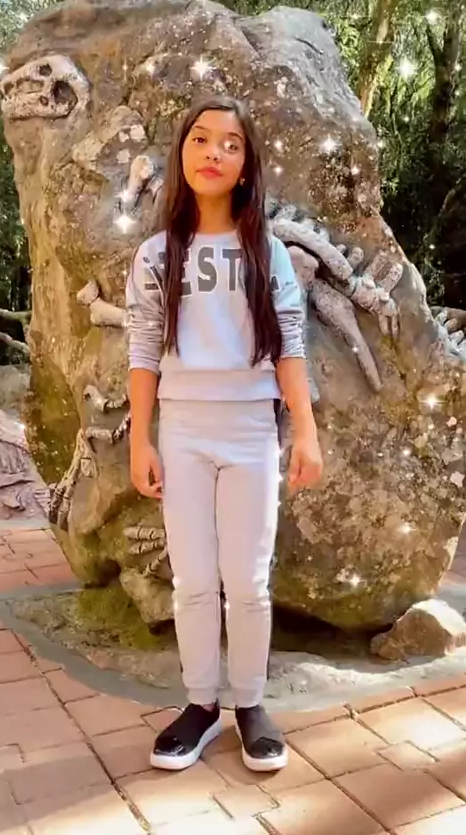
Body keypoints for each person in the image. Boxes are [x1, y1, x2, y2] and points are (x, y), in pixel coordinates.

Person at [126, 95, 323, 773]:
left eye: (231, 144)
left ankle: (250, 704)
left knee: (247, 580)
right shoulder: (156, 255)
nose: (215, 152)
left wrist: (305, 432)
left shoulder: (268, 253)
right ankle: (201, 705)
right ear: (182, 153)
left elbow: (290, 343)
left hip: (250, 430)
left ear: (246, 166)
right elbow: (143, 349)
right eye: (201, 139)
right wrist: (141, 440)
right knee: (191, 578)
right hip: (182, 429)